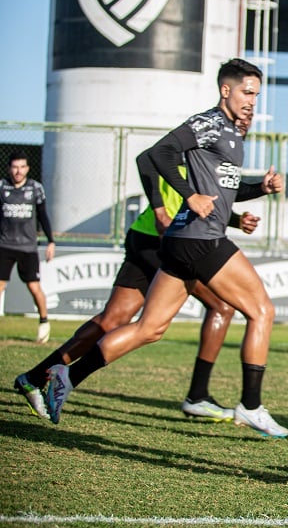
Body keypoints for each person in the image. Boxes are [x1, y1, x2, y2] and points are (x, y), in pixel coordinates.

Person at [43, 58, 288, 438]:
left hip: (182, 243)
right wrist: (188, 196)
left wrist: (261, 189)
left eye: (257, 94)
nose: (252, 101)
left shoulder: (231, 133)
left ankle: (67, 375)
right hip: (201, 240)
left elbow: (227, 190)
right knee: (262, 311)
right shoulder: (208, 122)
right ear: (226, 90)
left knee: (149, 328)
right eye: (247, 92)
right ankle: (251, 406)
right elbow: (158, 154)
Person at [12, 154, 261, 422]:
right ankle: (197, 396)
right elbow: (150, 162)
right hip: (165, 243)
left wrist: (238, 218)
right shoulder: (192, 151)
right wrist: (159, 211)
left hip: (144, 237)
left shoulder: (203, 157)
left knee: (112, 320)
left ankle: (34, 378)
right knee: (221, 306)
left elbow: (203, 201)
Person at [0, 151, 56, 343]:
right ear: (9, 168)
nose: (18, 171)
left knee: (34, 287)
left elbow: (43, 216)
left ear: (27, 168)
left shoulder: (35, 188)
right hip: (4, 245)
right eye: (15, 167)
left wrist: (51, 241)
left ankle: (44, 322)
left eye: (22, 167)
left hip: (27, 247)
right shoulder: (2, 186)